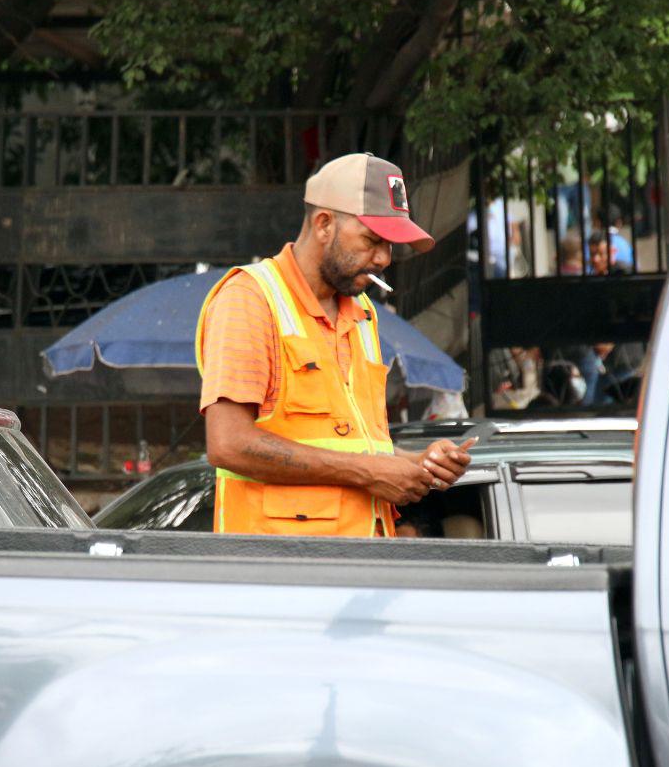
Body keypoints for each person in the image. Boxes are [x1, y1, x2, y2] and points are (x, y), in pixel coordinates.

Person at [196, 152, 474, 536]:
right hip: (281, 572)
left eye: (390, 245)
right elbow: (228, 444)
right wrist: (370, 472)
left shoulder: (363, 312)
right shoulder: (250, 298)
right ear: (324, 223)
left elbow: (351, 443)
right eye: (372, 240)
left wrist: (415, 463)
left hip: (355, 567)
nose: (383, 258)